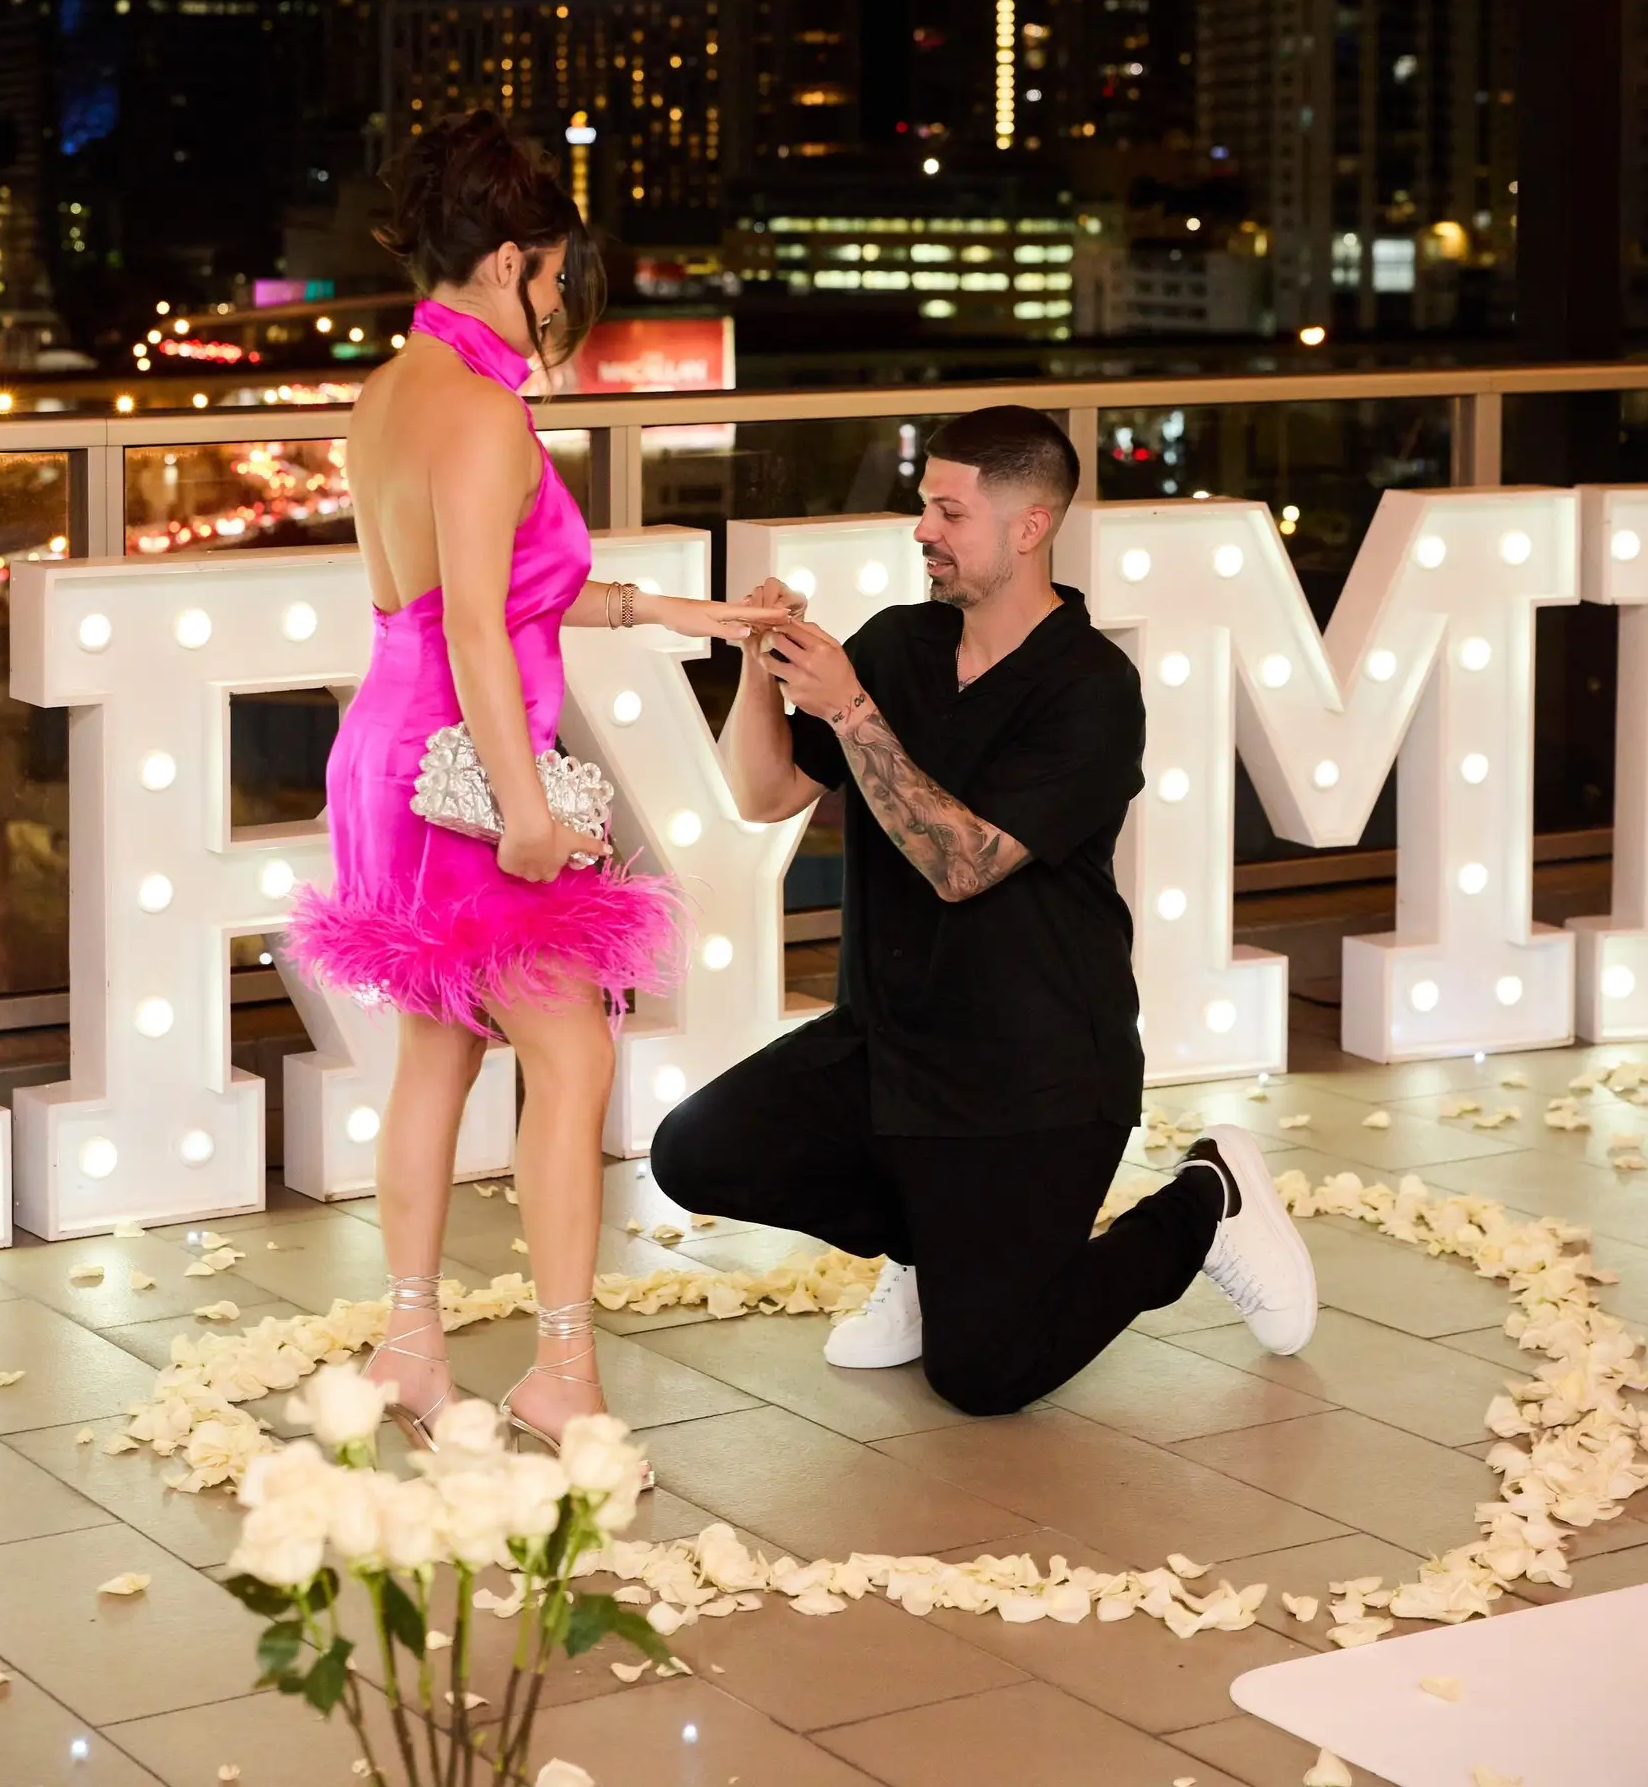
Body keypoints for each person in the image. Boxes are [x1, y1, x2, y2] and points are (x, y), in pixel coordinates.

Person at [651, 405, 1317, 1416]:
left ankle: (1205, 1204)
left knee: (984, 1374)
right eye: (925, 504)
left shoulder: (1092, 690)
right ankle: (928, 1246)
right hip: (889, 1043)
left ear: (1028, 525)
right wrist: (763, 667)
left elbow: (961, 864)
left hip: (1036, 1073)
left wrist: (848, 708)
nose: (923, 528)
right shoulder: (899, 642)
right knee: (695, 1150)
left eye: (948, 511)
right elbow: (767, 794)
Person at [287, 110, 780, 1451]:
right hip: (466, 771)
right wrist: (523, 808)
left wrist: (687, 614)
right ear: (511, 259)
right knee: (569, 1053)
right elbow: (470, 629)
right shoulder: (487, 410)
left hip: (392, 755)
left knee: (436, 1057)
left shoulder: (391, 389)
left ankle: (407, 1345)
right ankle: (561, 1370)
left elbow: (500, 598)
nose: (563, 301)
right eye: (559, 277)